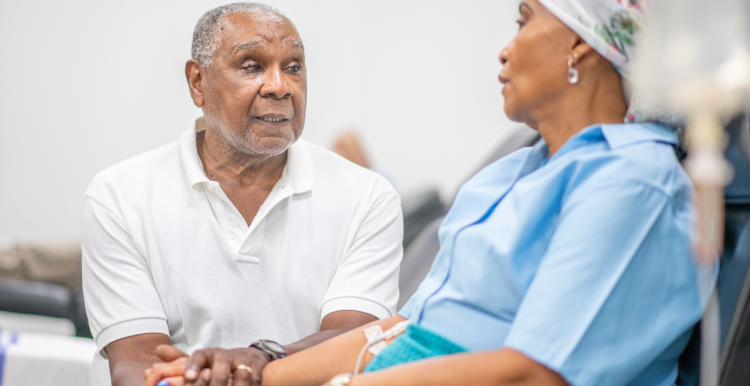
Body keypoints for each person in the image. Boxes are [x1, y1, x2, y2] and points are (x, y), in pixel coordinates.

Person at [145, 0, 713, 385]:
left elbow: (535, 373)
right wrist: (254, 370)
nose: (505, 50)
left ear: (581, 45)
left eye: (524, 20)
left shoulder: (632, 183)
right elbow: (405, 328)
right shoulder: (511, 174)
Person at [82, 3, 403, 386]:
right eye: (252, 66)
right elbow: (137, 365)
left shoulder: (367, 196)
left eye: (293, 67)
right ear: (198, 82)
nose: (280, 86)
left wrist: (258, 359)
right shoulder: (118, 195)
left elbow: (354, 345)